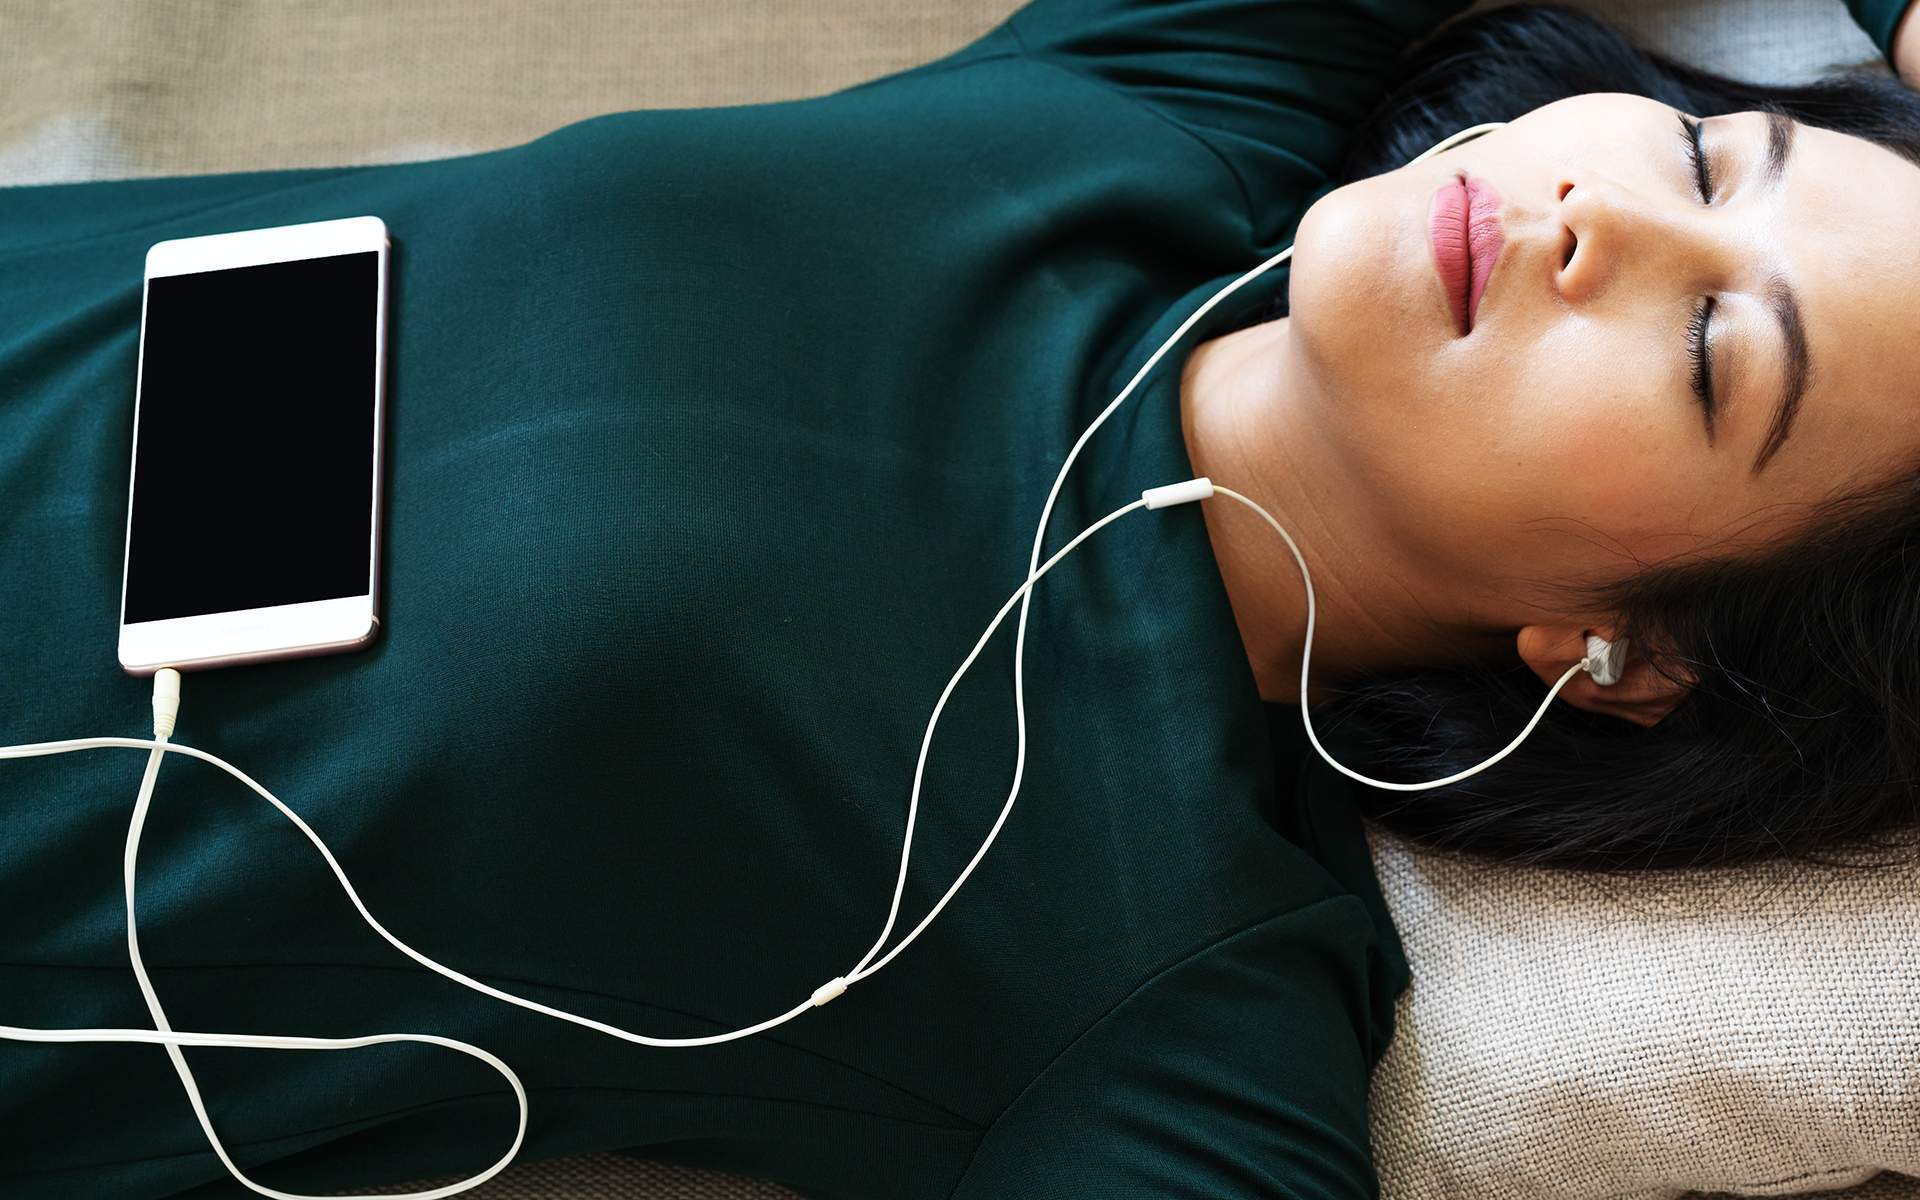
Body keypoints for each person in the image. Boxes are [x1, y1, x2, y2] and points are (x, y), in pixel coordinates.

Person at [0, 2, 1915, 1197]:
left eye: (1713, 351)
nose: (1613, 215)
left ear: (1631, 658)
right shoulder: (1177, 110)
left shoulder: (1169, 966)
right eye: (1700, 148)